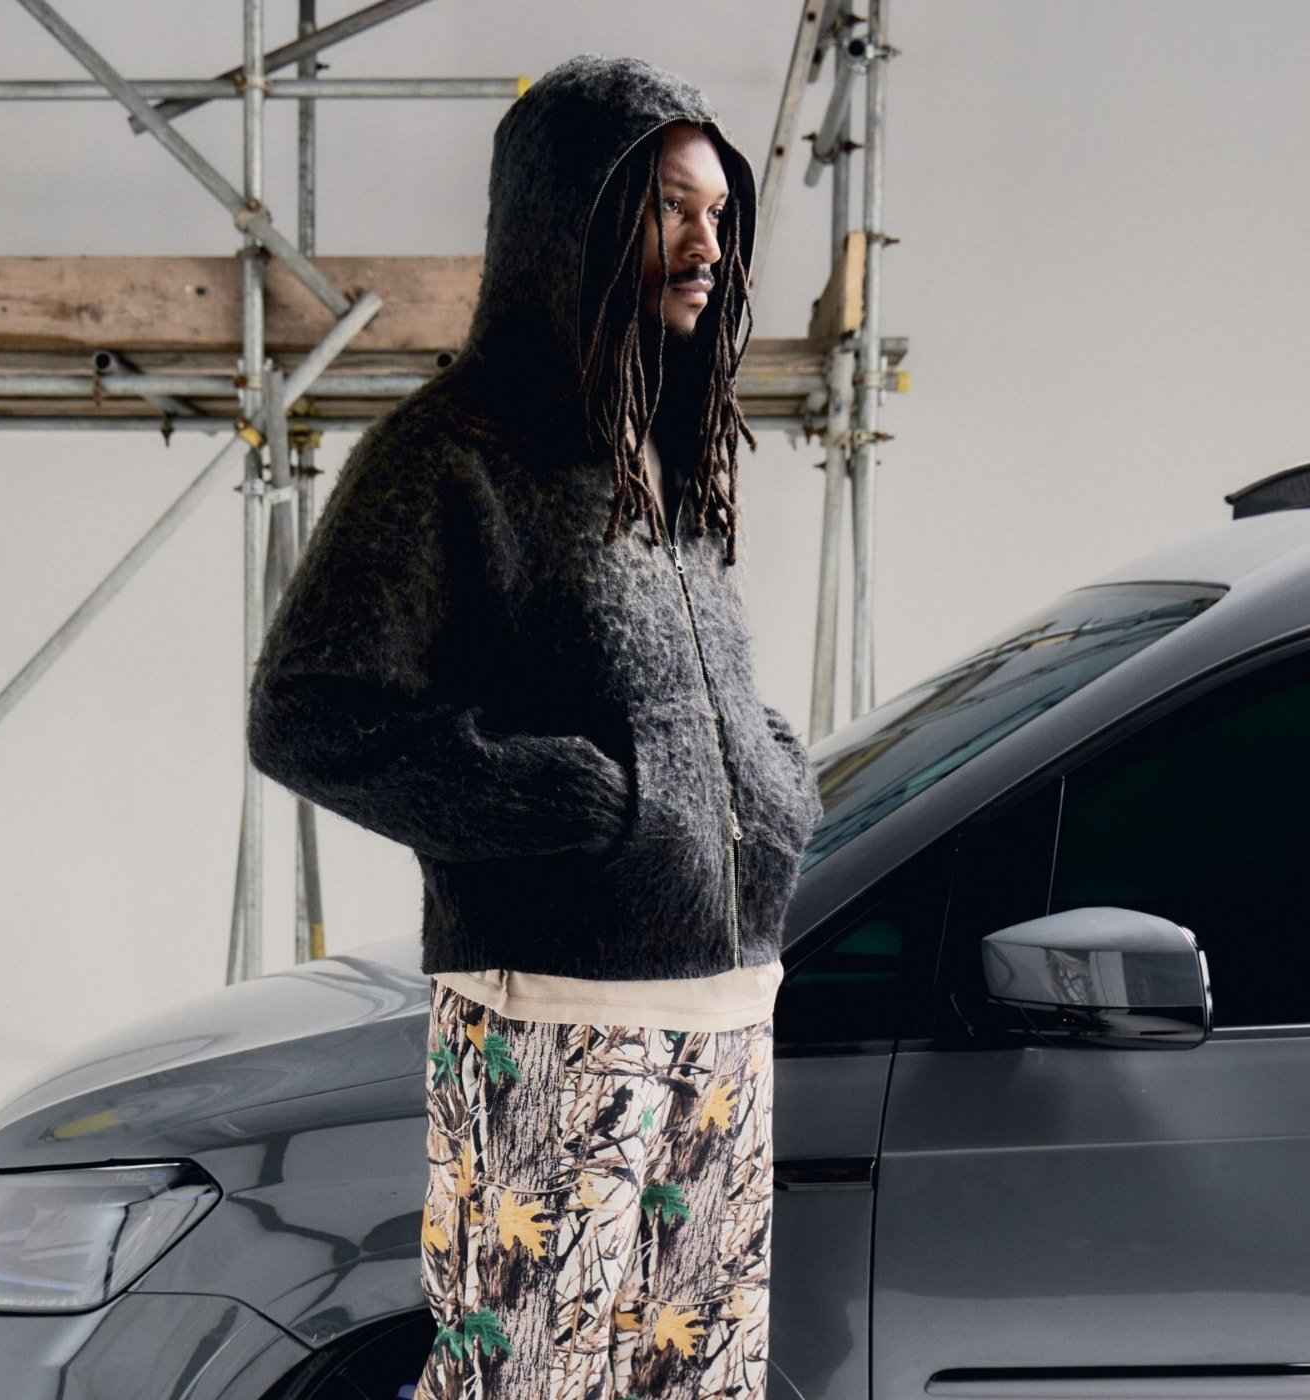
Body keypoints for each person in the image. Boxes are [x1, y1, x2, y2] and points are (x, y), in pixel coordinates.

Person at [248, 52, 823, 1400]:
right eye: (671, 208)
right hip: (555, 1020)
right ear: (572, 219)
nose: (708, 247)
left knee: (698, 1382)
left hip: (725, 1011)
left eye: (719, 215)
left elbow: (688, 699)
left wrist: (769, 777)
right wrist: (571, 802)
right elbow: (308, 716)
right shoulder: (450, 455)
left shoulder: (662, 450)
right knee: (532, 1383)